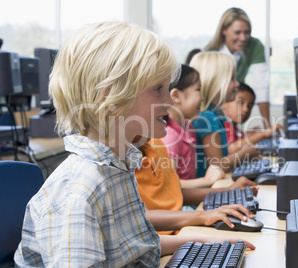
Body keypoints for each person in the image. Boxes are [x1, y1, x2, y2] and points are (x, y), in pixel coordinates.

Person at [14, 22, 254, 267]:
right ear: (110, 98)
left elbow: (137, 247)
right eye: (158, 89)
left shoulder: (118, 163)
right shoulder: (79, 193)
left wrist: (207, 243)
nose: (170, 103)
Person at [136, 138, 259, 235]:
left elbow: (174, 194)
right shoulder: (121, 159)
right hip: (160, 240)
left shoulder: (156, 143)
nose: (170, 104)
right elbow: (141, 216)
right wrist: (203, 216)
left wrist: (227, 191)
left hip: (181, 229)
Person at [190, 52, 260, 178]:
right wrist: (244, 154)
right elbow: (217, 166)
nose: (237, 84)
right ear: (215, 82)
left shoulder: (216, 114)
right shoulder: (207, 117)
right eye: (232, 79)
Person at [205, 7, 271, 128]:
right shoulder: (210, 54)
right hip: (214, 109)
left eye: (247, 32)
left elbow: (262, 87)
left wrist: (267, 127)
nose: (243, 38)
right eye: (237, 32)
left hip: (231, 110)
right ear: (224, 30)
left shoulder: (254, 45)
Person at [162, 64, 225, 188]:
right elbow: (169, 185)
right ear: (176, 96)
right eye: (198, 90)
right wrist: (207, 181)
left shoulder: (188, 128)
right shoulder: (170, 136)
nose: (202, 98)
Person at [223, 82, 280, 154]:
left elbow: (239, 142)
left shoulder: (236, 128)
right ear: (224, 102)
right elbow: (230, 150)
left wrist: (248, 135)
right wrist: (261, 135)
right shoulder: (225, 125)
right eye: (240, 103)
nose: (246, 109)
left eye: (250, 106)